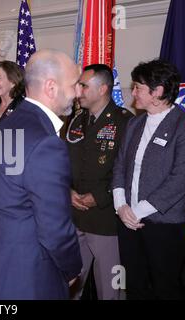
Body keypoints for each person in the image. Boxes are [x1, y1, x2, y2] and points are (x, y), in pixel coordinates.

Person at [0, 49, 82, 299]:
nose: (78, 92)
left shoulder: (6, 124)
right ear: (52, 87)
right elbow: (54, 224)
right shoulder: (45, 141)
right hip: (29, 272)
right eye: (75, 84)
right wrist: (71, 267)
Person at [112, 59, 185, 299]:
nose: (133, 92)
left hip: (165, 224)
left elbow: (180, 178)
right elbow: (119, 165)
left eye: (138, 87)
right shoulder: (134, 123)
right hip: (127, 219)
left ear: (157, 92)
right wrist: (121, 206)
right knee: (135, 284)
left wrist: (138, 211)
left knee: (165, 287)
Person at [66, 64, 133, 300]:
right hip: (75, 215)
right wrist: (68, 191)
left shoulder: (124, 121)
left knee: (111, 286)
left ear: (103, 88)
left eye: (84, 85)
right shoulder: (75, 120)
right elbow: (62, 160)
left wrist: (100, 196)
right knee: (70, 280)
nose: (78, 90)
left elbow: (128, 170)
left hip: (106, 219)